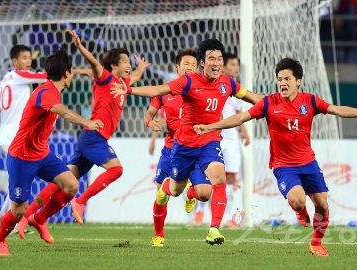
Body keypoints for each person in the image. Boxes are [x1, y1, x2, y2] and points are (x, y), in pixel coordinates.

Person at [193, 57, 357, 256]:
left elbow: (338, 110)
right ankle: (300, 211)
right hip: (284, 166)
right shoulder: (269, 103)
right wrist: (210, 127)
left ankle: (316, 243)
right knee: (299, 200)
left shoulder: (310, 101)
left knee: (322, 205)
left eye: (287, 79)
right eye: (279, 79)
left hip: (308, 162)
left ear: (298, 81)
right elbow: (240, 117)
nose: (282, 83)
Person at [110, 39, 263, 245]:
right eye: (211, 58)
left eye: (219, 58)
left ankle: (214, 230)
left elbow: (251, 97)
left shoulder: (227, 83)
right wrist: (129, 90)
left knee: (215, 182)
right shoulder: (188, 82)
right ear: (202, 62)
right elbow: (157, 90)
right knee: (174, 191)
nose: (216, 62)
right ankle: (168, 190)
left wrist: (274, 104)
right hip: (183, 146)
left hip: (209, 142)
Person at [14, 30, 149, 234]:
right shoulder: (105, 79)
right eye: (125, 62)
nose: (128, 65)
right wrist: (79, 46)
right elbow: (95, 63)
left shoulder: (124, 84)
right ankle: (81, 201)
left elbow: (136, 76)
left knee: (65, 180)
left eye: (129, 62)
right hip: (93, 137)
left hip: (90, 138)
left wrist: (141, 67)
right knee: (116, 169)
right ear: (114, 66)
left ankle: (31, 218)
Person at [0, 49, 104, 256]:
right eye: (72, 72)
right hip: (21, 157)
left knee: (71, 185)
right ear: (67, 73)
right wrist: (87, 122)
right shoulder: (45, 92)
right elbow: (63, 111)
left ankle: (40, 219)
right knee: (19, 211)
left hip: (42, 154)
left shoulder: (50, 90)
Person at [144, 48, 210, 247]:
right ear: (177, 67)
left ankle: (191, 192)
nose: (189, 68)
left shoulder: (203, 89)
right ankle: (159, 235)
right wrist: (149, 121)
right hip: (171, 149)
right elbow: (150, 113)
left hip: (196, 149)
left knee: (205, 193)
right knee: (161, 197)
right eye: (186, 64)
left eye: (193, 64)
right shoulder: (167, 90)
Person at [0, 45, 47, 226]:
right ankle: (8, 219)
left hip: (4, 136)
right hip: (13, 138)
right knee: (20, 181)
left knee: (20, 179)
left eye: (29, 57)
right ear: (15, 61)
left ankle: (3, 216)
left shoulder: (6, 79)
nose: (28, 61)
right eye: (24, 58)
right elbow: (46, 77)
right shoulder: (20, 76)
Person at [193, 53, 250, 227]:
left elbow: (239, 115)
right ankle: (200, 212)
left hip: (232, 140)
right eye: (232, 64)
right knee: (209, 176)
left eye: (237, 65)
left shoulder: (235, 88)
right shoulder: (212, 83)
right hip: (213, 137)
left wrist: (244, 133)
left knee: (230, 179)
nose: (236, 68)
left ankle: (231, 216)